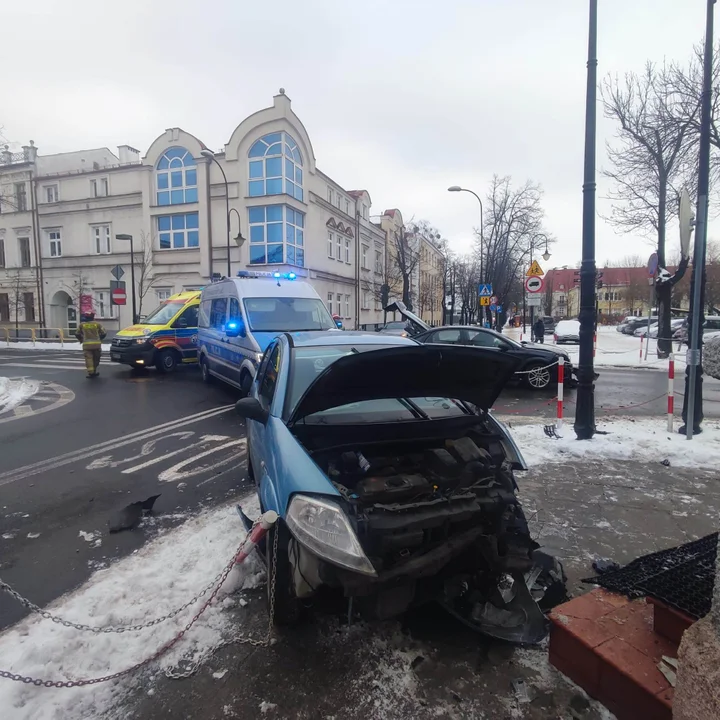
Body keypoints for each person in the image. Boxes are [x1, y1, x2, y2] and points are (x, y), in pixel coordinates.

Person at [75, 312, 107, 378]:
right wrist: (99, 339)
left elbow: (77, 333)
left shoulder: (82, 325)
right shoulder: (97, 324)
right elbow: (104, 333)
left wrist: (81, 339)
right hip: (96, 345)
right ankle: (94, 370)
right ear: (93, 317)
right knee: (96, 358)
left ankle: (91, 372)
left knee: (88, 359)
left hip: (87, 345)